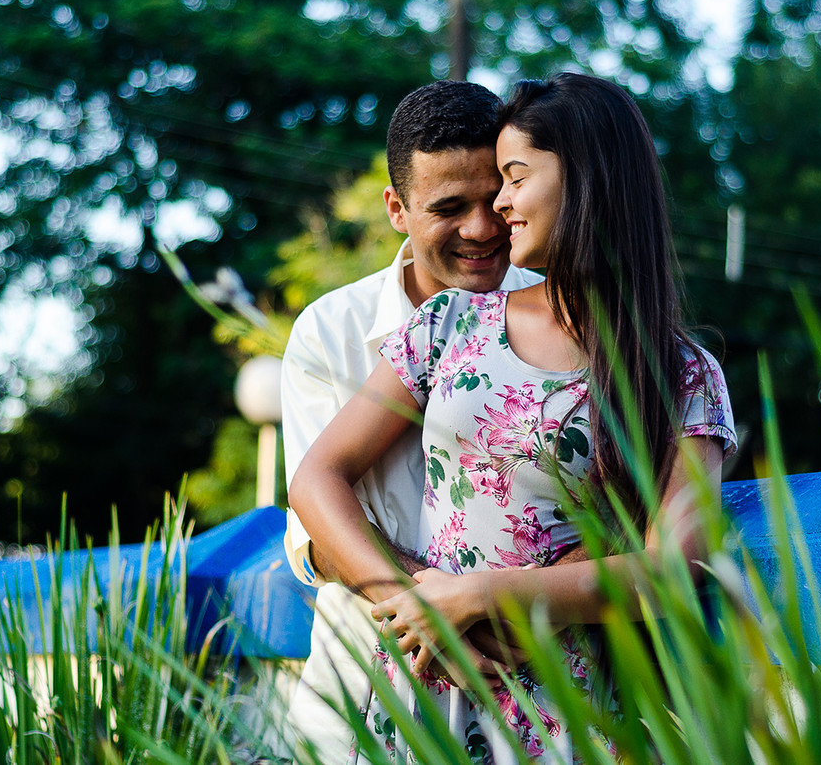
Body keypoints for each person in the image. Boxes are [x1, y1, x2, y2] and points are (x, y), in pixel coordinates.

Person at [289, 72, 737, 761]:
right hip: (419, 685)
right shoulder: (447, 323)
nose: (496, 210)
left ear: (590, 181)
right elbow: (317, 481)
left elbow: (672, 568)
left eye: (512, 177)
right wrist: (436, 611)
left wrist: (479, 596)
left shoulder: (682, 375)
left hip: (562, 701)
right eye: (473, 193)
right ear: (397, 208)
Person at [282, 80, 550, 763]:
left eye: (494, 199)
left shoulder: (562, 317)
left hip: (530, 705)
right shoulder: (331, 333)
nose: (482, 228)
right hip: (359, 702)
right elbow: (314, 536)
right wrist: (437, 618)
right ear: (397, 209)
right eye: (449, 208)